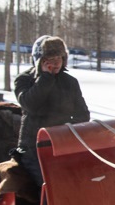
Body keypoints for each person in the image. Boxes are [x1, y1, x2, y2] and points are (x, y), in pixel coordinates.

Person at [11, 35, 90, 187]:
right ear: (39, 61)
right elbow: (29, 104)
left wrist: (65, 130)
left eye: (58, 59)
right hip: (32, 148)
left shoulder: (70, 82)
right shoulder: (24, 80)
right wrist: (45, 78)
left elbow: (83, 114)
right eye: (49, 60)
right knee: (51, 186)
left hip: (62, 145)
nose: (54, 64)